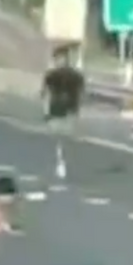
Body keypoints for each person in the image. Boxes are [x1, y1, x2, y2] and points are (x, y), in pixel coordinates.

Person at [40, 46, 85, 179]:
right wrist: (46, 110)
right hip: (55, 110)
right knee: (57, 139)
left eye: (63, 59)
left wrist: (78, 110)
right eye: (58, 59)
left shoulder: (75, 76)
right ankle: (60, 161)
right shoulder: (51, 76)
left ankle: (63, 161)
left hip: (70, 111)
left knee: (67, 139)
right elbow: (45, 94)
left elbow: (81, 93)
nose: (61, 61)